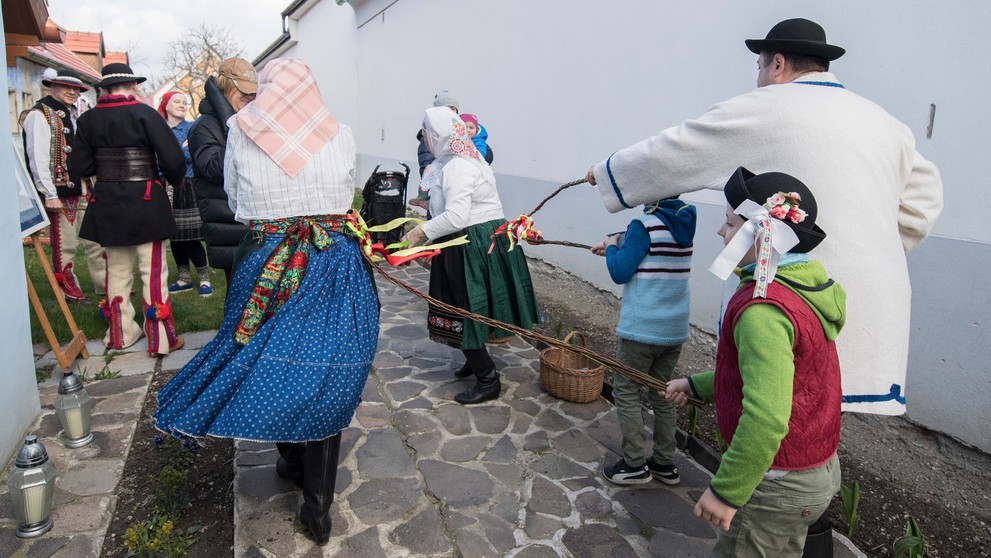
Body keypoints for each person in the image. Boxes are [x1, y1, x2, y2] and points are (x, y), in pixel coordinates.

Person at [586, 18, 943, 416]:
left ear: (777, 63)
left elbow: (676, 149)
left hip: (784, 292)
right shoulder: (885, 122)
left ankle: (756, 478)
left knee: (771, 402)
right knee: (820, 406)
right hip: (861, 300)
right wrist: (874, 247)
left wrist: (606, 172)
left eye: (758, 66)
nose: (757, 77)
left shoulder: (764, 107)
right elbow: (924, 200)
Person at [153, 58, 378, 547]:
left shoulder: (239, 129)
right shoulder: (341, 132)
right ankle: (318, 506)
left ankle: (291, 459)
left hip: (269, 257)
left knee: (265, 359)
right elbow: (345, 192)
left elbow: (235, 198)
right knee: (327, 368)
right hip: (332, 257)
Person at [665, 167, 844, 557]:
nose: (720, 232)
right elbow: (776, 378)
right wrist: (697, 385)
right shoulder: (803, 287)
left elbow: (766, 416)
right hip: (813, 467)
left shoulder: (764, 311)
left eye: (729, 223)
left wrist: (726, 493)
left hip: (774, 483)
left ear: (761, 237)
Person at [401, 106, 539, 405]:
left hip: (470, 244)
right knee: (473, 306)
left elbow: (456, 217)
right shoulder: (461, 160)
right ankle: (475, 358)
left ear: (438, 136)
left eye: (426, 133)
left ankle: (487, 378)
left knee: (463, 306)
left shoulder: (458, 167)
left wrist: (419, 234)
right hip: (477, 240)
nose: (424, 138)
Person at [70, 63, 187, 355]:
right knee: (153, 271)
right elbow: (172, 159)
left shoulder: (87, 120)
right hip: (146, 199)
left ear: (104, 89)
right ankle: (160, 339)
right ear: (132, 86)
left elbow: (81, 166)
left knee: (117, 271)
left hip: (107, 201)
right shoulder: (145, 113)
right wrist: (175, 179)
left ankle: (120, 336)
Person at [591, 196, 696, 486]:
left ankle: (635, 463)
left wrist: (612, 247)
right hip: (672, 329)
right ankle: (665, 463)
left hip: (642, 329)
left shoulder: (643, 224)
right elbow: (645, 245)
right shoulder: (684, 221)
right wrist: (618, 242)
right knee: (663, 392)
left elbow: (620, 271)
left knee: (625, 390)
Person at [21, 69, 106, 304]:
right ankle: (68, 291)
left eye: (76, 89)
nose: (72, 92)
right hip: (59, 190)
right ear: (52, 87)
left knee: (95, 239)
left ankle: (105, 285)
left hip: (83, 186)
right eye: (66, 87)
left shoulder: (73, 113)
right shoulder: (39, 115)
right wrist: (48, 192)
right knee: (65, 244)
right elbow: (37, 157)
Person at [188, 57, 256, 286]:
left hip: (250, 222)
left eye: (253, 93)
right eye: (243, 92)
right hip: (227, 224)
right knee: (239, 296)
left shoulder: (247, 120)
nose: (249, 98)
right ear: (225, 86)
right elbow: (214, 170)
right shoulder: (204, 127)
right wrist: (235, 130)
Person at [158, 91, 212, 298]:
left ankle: (204, 278)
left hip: (187, 185)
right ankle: (184, 279)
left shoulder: (192, 128)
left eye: (185, 102)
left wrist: (170, 154)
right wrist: (178, 152)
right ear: (166, 105)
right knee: (175, 235)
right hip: (164, 186)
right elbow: (155, 157)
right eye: (177, 102)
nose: (182, 105)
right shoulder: (158, 129)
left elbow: (193, 155)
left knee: (191, 235)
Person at [410, 90, 460, 210]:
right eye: (446, 109)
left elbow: (484, 152)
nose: (449, 112)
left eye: (453, 109)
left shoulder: (463, 130)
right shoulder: (429, 135)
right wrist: (429, 170)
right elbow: (425, 156)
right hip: (438, 186)